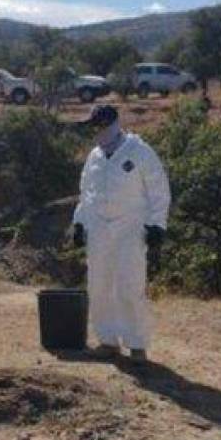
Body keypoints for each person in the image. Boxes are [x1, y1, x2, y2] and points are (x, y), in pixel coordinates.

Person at [70, 105, 171, 364]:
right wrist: (79, 222)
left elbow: (159, 190)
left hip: (130, 227)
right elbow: (86, 192)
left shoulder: (139, 152)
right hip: (99, 229)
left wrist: (157, 225)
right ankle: (108, 341)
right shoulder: (94, 156)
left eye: (97, 125)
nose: (94, 131)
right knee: (99, 285)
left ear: (110, 124)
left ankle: (137, 345)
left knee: (129, 284)